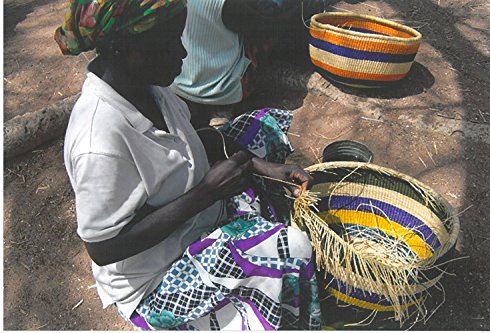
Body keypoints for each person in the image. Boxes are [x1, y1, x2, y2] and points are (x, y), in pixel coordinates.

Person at [54, 0, 321, 330]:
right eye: (169, 42)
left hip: (197, 212)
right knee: (292, 247)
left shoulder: (147, 86)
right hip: (157, 277)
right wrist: (208, 192)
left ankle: (247, 222)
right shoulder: (100, 142)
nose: (182, 53)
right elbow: (105, 248)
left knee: (262, 126)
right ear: (126, 48)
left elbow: (191, 137)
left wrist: (260, 165)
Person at [170, 0, 326, 129]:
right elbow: (263, 29)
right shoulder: (230, 4)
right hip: (220, 90)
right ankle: (223, 108)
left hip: (181, 83)